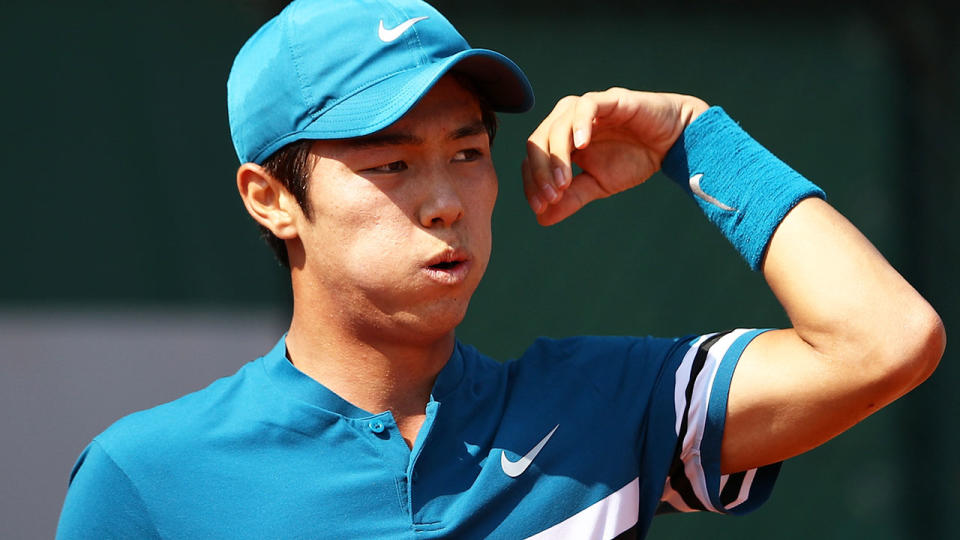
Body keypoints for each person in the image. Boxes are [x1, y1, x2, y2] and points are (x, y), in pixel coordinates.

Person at [56, 0, 945, 538]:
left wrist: (692, 137)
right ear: (270, 198)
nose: (446, 199)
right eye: (391, 164)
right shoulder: (146, 480)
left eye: (469, 150)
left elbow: (885, 342)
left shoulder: (603, 411)